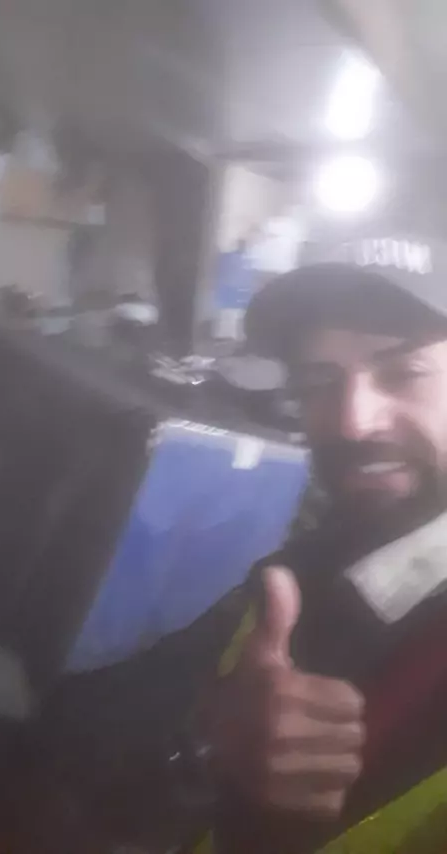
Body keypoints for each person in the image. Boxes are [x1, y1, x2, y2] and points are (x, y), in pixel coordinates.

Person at [29, 234, 447, 854]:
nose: (353, 421)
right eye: (319, 381)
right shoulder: (302, 569)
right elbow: (89, 737)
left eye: (404, 372)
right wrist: (207, 745)